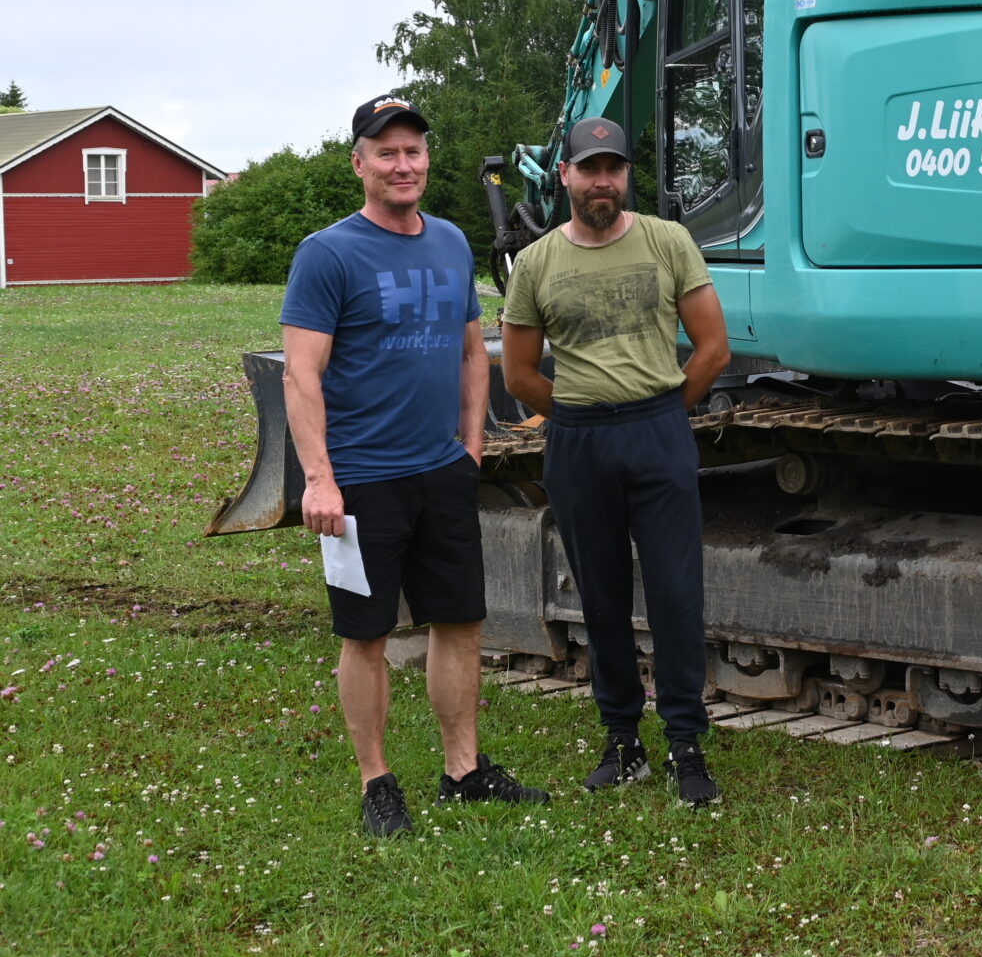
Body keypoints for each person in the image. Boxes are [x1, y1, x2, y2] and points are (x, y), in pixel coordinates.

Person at [281, 95, 550, 838]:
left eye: (415, 151)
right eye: (387, 152)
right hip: (362, 479)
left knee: (460, 620)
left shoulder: (452, 243)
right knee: (364, 634)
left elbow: (473, 350)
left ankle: (462, 770)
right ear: (359, 163)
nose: (404, 164)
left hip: (442, 472)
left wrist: (471, 443)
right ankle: (377, 783)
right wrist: (320, 478)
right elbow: (301, 375)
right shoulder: (328, 253)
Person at [499, 117, 732, 806]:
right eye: (588, 167)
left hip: (657, 429)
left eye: (614, 167)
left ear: (627, 175)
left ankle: (685, 743)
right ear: (564, 175)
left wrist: (661, 411)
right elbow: (517, 373)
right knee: (599, 596)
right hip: (579, 441)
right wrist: (578, 410)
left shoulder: (668, 241)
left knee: (675, 594)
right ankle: (622, 740)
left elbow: (712, 347)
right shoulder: (538, 262)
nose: (602, 180)